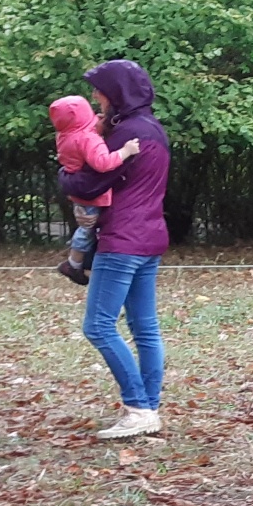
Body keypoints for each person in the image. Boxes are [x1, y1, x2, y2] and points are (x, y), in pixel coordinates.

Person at [59, 60, 171, 439]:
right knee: (145, 328)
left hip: (122, 240)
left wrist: (62, 174)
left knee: (98, 326)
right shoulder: (154, 128)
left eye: (99, 90)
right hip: (150, 237)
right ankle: (148, 408)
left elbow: (88, 182)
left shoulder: (128, 134)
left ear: (116, 92)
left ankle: (138, 408)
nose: (95, 97)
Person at [50, 95, 141, 285]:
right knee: (87, 227)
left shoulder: (65, 134)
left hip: (77, 189)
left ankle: (83, 262)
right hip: (92, 192)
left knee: (89, 226)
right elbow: (102, 162)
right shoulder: (87, 138)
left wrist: (98, 124)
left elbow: (80, 133)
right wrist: (126, 151)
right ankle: (74, 263)